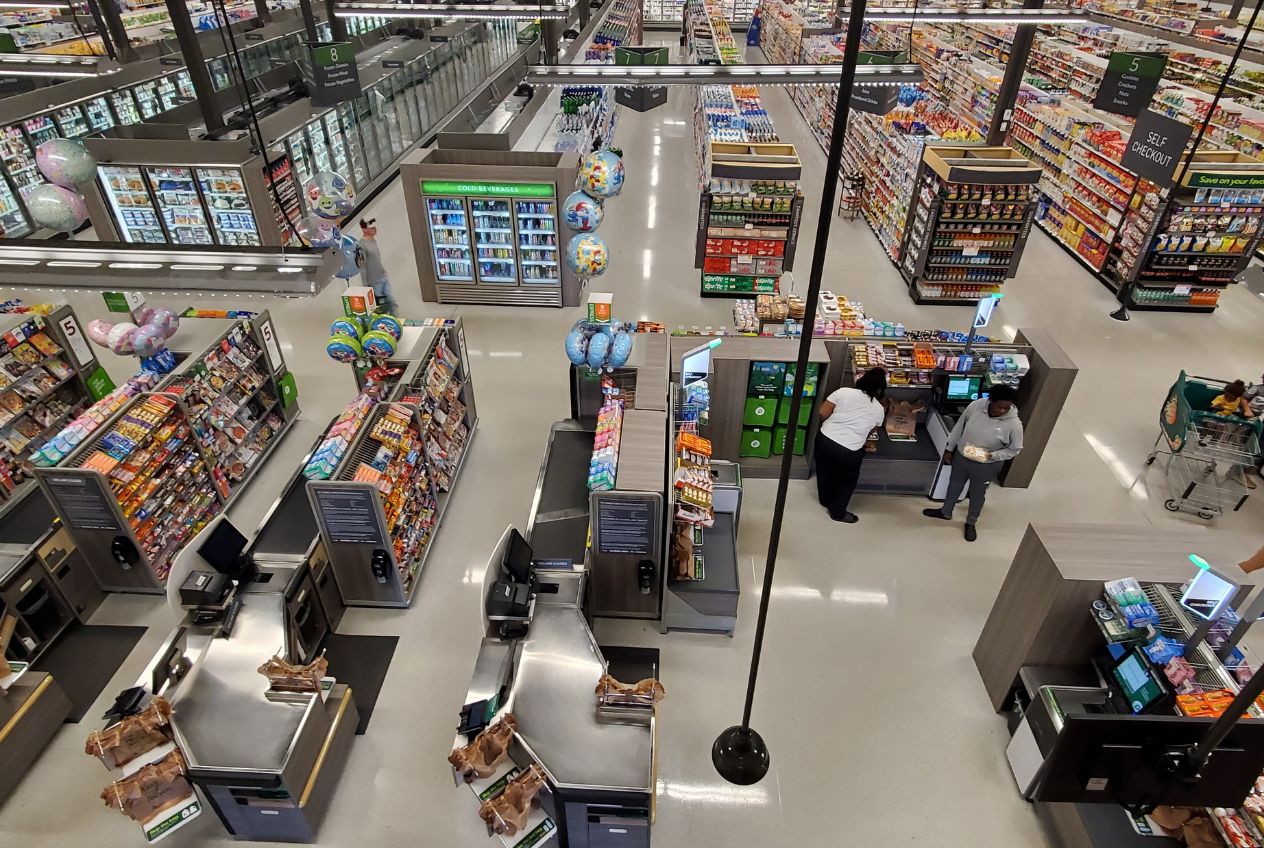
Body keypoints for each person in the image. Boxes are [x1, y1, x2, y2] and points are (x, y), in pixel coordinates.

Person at [923, 383, 1024, 542]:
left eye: (1006, 408)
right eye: (999, 407)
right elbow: (958, 428)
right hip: (963, 456)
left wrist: (993, 455)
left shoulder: (1014, 424)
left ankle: (971, 522)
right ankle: (945, 511)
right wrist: (950, 449)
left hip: (986, 464)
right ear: (990, 400)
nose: (1002, 411)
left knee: (977, 494)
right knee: (954, 484)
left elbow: (1014, 449)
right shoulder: (975, 406)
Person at [813, 368, 887, 524]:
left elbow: (822, 412)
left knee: (824, 470)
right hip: (849, 450)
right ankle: (837, 512)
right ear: (880, 389)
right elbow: (870, 431)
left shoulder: (843, 392)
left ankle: (825, 500)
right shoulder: (879, 410)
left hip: (825, 439)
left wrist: (833, 425)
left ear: (862, 379)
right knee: (846, 481)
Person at [356, 218, 399, 314]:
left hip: (383, 276)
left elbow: (376, 259)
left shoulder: (373, 240)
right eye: (372, 228)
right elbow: (362, 267)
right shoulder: (361, 245)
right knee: (381, 307)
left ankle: (395, 321)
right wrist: (366, 286)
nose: (375, 229)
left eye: (375, 227)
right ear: (364, 229)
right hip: (374, 282)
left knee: (392, 302)